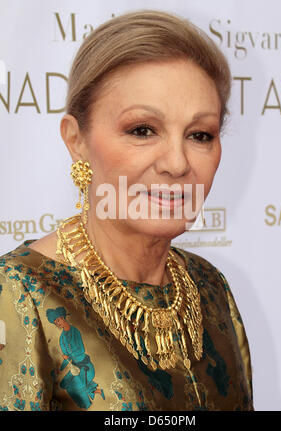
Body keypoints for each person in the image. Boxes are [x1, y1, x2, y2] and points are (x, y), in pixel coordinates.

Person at [0, 9, 253, 411]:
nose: (176, 162)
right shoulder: (20, 293)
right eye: (142, 130)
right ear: (76, 139)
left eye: (200, 134)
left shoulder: (209, 287)